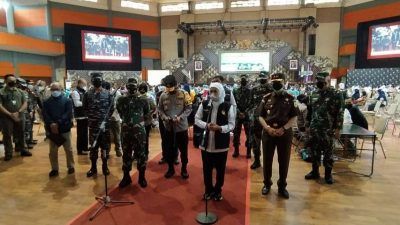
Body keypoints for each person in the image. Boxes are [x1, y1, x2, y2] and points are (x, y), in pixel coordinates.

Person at [258, 73, 297, 199]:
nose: (276, 84)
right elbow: (260, 116)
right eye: (274, 82)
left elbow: (294, 117)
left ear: (284, 82)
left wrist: (283, 128)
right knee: (267, 160)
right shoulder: (266, 97)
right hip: (269, 133)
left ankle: (282, 187)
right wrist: (267, 128)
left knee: (284, 160)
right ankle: (267, 184)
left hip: (284, 134)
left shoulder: (290, 98)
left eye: (279, 82)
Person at [195, 82, 235, 201]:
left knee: (220, 169)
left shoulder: (228, 106)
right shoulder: (205, 103)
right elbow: (196, 119)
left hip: (221, 145)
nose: (212, 94)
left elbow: (232, 124)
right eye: (211, 91)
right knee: (206, 169)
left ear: (221, 92)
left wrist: (220, 128)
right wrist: (206, 125)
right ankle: (208, 190)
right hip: (206, 144)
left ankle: (218, 190)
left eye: (215, 91)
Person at [305, 72, 343, 184]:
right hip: (314, 128)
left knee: (328, 153)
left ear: (328, 80)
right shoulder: (313, 94)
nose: (319, 84)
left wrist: (338, 128)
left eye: (322, 82)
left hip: (328, 129)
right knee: (314, 151)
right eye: (318, 82)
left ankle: (328, 175)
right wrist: (307, 125)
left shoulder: (336, 94)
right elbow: (310, 111)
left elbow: (340, 113)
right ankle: (315, 172)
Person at [117, 78, 150, 188]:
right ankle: (126, 177)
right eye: (129, 86)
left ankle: (142, 177)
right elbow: (120, 112)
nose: (131, 88)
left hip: (139, 132)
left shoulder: (143, 100)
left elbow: (146, 113)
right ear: (127, 86)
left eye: (133, 86)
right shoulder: (121, 99)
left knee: (141, 154)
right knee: (126, 154)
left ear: (137, 87)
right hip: (126, 131)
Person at [158, 75, 192, 179]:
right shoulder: (163, 95)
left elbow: (188, 108)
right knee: (169, 150)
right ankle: (170, 168)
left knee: (183, 150)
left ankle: (184, 168)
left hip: (181, 128)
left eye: (171, 86)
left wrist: (180, 117)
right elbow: (160, 109)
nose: (169, 88)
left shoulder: (184, 94)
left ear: (176, 84)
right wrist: (164, 117)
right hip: (169, 128)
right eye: (167, 87)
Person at [83, 73, 114, 177]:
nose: (97, 83)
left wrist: (106, 119)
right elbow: (85, 108)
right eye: (95, 81)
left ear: (101, 82)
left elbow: (111, 108)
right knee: (93, 148)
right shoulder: (87, 94)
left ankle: (105, 167)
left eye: (99, 81)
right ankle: (93, 168)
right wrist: (92, 118)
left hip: (104, 126)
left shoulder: (108, 94)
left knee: (105, 147)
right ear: (92, 82)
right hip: (93, 126)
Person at [42, 82, 75, 177]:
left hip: (64, 128)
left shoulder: (67, 100)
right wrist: (51, 123)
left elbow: (68, 113)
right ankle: (54, 168)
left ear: (61, 89)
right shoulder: (47, 102)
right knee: (53, 151)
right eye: (53, 89)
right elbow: (45, 114)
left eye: (56, 89)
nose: (55, 91)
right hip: (52, 129)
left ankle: (71, 166)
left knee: (68, 149)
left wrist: (58, 122)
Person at [0, 74, 32, 161]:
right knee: (7, 135)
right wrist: (10, 114)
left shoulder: (20, 91)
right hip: (6, 117)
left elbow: (25, 103)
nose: (13, 82)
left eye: (14, 81)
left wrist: (19, 112)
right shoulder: (1, 92)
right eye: (10, 81)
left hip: (19, 116)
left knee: (21, 133)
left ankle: (23, 149)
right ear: (6, 81)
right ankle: (8, 153)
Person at [250, 71, 273, 169]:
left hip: (269, 119)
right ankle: (257, 160)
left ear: (267, 78)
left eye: (264, 78)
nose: (262, 79)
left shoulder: (272, 89)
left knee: (269, 141)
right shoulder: (254, 89)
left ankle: (268, 162)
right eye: (261, 78)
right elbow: (251, 104)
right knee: (255, 141)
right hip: (256, 118)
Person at [232, 74, 252, 158]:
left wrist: (245, 113)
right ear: (240, 81)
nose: (243, 80)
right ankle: (236, 150)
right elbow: (233, 103)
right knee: (236, 134)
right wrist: (239, 112)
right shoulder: (235, 90)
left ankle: (248, 151)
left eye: (245, 79)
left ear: (247, 81)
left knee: (249, 134)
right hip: (237, 115)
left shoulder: (250, 91)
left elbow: (252, 103)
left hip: (247, 116)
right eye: (242, 79)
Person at [102, 81, 123, 157]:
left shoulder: (117, 94)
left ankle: (118, 150)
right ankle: (107, 151)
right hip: (107, 118)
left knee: (117, 135)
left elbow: (119, 105)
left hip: (115, 117)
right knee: (107, 135)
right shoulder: (103, 95)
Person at [70, 78, 89, 155]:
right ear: (79, 84)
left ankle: (85, 147)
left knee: (85, 133)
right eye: (84, 84)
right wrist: (87, 103)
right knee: (80, 133)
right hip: (80, 115)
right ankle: (80, 149)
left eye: (85, 85)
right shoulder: (75, 92)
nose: (85, 86)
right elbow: (77, 104)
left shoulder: (84, 92)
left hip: (85, 115)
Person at [139, 82, 157, 157]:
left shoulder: (148, 97)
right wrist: (149, 114)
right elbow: (154, 108)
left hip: (143, 120)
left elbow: (154, 108)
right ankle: (144, 153)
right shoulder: (149, 97)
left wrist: (147, 114)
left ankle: (144, 153)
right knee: (144, 138)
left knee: (143, 138)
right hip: (144, 120)